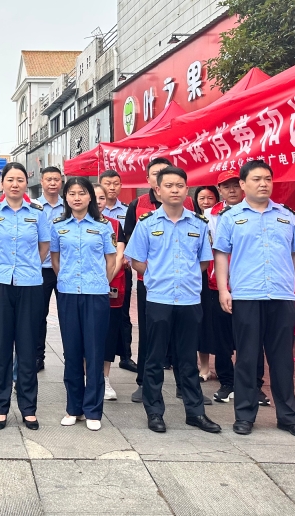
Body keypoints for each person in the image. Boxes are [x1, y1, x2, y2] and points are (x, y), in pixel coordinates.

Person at [213, 160, 295, 439]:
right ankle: (245, 415)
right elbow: (221, 254)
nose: (263, 184)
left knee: (283, 359)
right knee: (246, 358)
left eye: (267, 179)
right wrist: (223, 289)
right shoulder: (230, 217)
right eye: (256, 179)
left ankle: (289, 417)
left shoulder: (286, 216)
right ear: (243, 184)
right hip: (246, 295)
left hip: (281, 295)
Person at [125, 165, 220, 435]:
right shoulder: (147, 224)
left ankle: (195, 413)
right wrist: (156, 275)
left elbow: (204, 261)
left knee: (187, 359)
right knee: (155, 358)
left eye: (179, 185)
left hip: (189, 300)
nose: (174, 190)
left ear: (187, 190)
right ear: (158, 190)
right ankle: (154, 412)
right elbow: (135, 260)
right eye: (168, 186)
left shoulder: (199, 224)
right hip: (159, 298)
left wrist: (186, 277)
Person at [0, 162, 49, 430]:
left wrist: (28, 267)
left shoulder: (37, 213)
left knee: (28, 347)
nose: (15, 184)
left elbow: (44, 246)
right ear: (2, 184)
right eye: (10, 179)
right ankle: (1, 406)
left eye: (20, 179)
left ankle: (29, 408)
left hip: (30, 284)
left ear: (26, 183)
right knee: (1, 345)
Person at [124, 157, 194, 404]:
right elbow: (131, 239)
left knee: (183, 337)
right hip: (150, 282)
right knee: (149, 333)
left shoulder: (188, 204)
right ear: (151, 181)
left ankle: (184, 386)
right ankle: (144, 383)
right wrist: (152, 271)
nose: (165, 180)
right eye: (157, 174)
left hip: (183, 284)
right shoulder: (138, 205)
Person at [51, 178, 118, 431]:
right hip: (68, 293)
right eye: (72, 193)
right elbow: (55, 260)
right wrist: (67, 279)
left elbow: (111, 260)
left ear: (90, 197)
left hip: (95, 294)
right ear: (66, 198)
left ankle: (93, 410)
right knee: (72, 353)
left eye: (82, 193)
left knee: (94, 352)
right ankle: (73, 408)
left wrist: (99, 282)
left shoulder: (103, 227)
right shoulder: (58, 227)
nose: (77, 198)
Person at [206, 171, 268, 406]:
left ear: (242, 186)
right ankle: (227, 382)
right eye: (226, 186)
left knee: (254, 337)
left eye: (235, 185)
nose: (231, 190)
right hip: (218, 285)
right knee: (222, 338)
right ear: (219, 190)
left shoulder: (258, 211)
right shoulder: (209, 216)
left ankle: (254, 385)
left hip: (250, 285)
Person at [100, 170, 136, 374]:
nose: (112, 187)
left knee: (122, 314)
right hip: (100, 273)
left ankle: (126, 356)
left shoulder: (127, 210)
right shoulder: (91, 210)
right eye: (107, 183)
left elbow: (131, 236)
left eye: (116, 183)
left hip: (122, 270)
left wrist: (127, 259)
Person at [95, 184, 126, 402]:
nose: (98, 202)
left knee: (108, 332)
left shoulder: (114, 225)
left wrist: (104, 281)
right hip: (84, 288)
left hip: (110, 285)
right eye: (94, 197)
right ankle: (88, 376)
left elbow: (118, 256)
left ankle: (104, 378)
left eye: (102, 198)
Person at [34, 166, 65, 372]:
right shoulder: (34, 207)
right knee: (38, 315)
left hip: (64, 268)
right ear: (42, 182)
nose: (52, 183)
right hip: (42, 268)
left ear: (61, 182)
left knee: (67, 315)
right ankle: (38, 357)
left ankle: (71, 356)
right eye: (48, 179)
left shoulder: (69, 205)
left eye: (56, 179)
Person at [193, 185, 220, 383]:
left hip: (219, 275)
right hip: (199, 276)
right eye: (201, 198)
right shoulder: (193, 221)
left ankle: (223, 366)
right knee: (201, 322)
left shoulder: (222, 218)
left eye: (210, 198)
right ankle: (203, 366)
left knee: (217, 324)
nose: (205, 202)